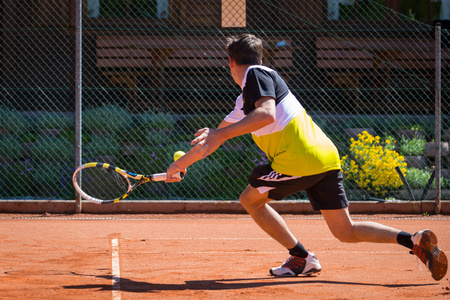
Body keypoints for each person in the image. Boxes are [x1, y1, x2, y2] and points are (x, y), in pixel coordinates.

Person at [166, 33, 448, 281]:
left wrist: (220, 135)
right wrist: (179, 165)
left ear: (230, 61)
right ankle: (413, 241)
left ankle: (299, 256)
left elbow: (265, 114)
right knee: (345, 231)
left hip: (297, 160)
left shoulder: (256, 73)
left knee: (249, 199)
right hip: (324, 157)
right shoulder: (244, 102)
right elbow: (215, 138)